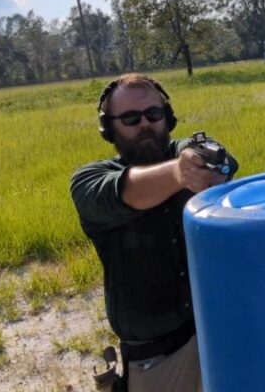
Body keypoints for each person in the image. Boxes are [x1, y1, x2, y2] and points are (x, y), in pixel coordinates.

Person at [71, 73, 238, 392]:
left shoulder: (186, 156)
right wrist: (179, 172)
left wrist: (200, 156)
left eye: (153, 114)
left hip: (217, 333)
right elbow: (122, 192)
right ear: (109, 128)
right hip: (156, 357)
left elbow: (219, 158)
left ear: (168, 117)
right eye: (131, 118)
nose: (145, 124)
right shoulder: (88, 181)